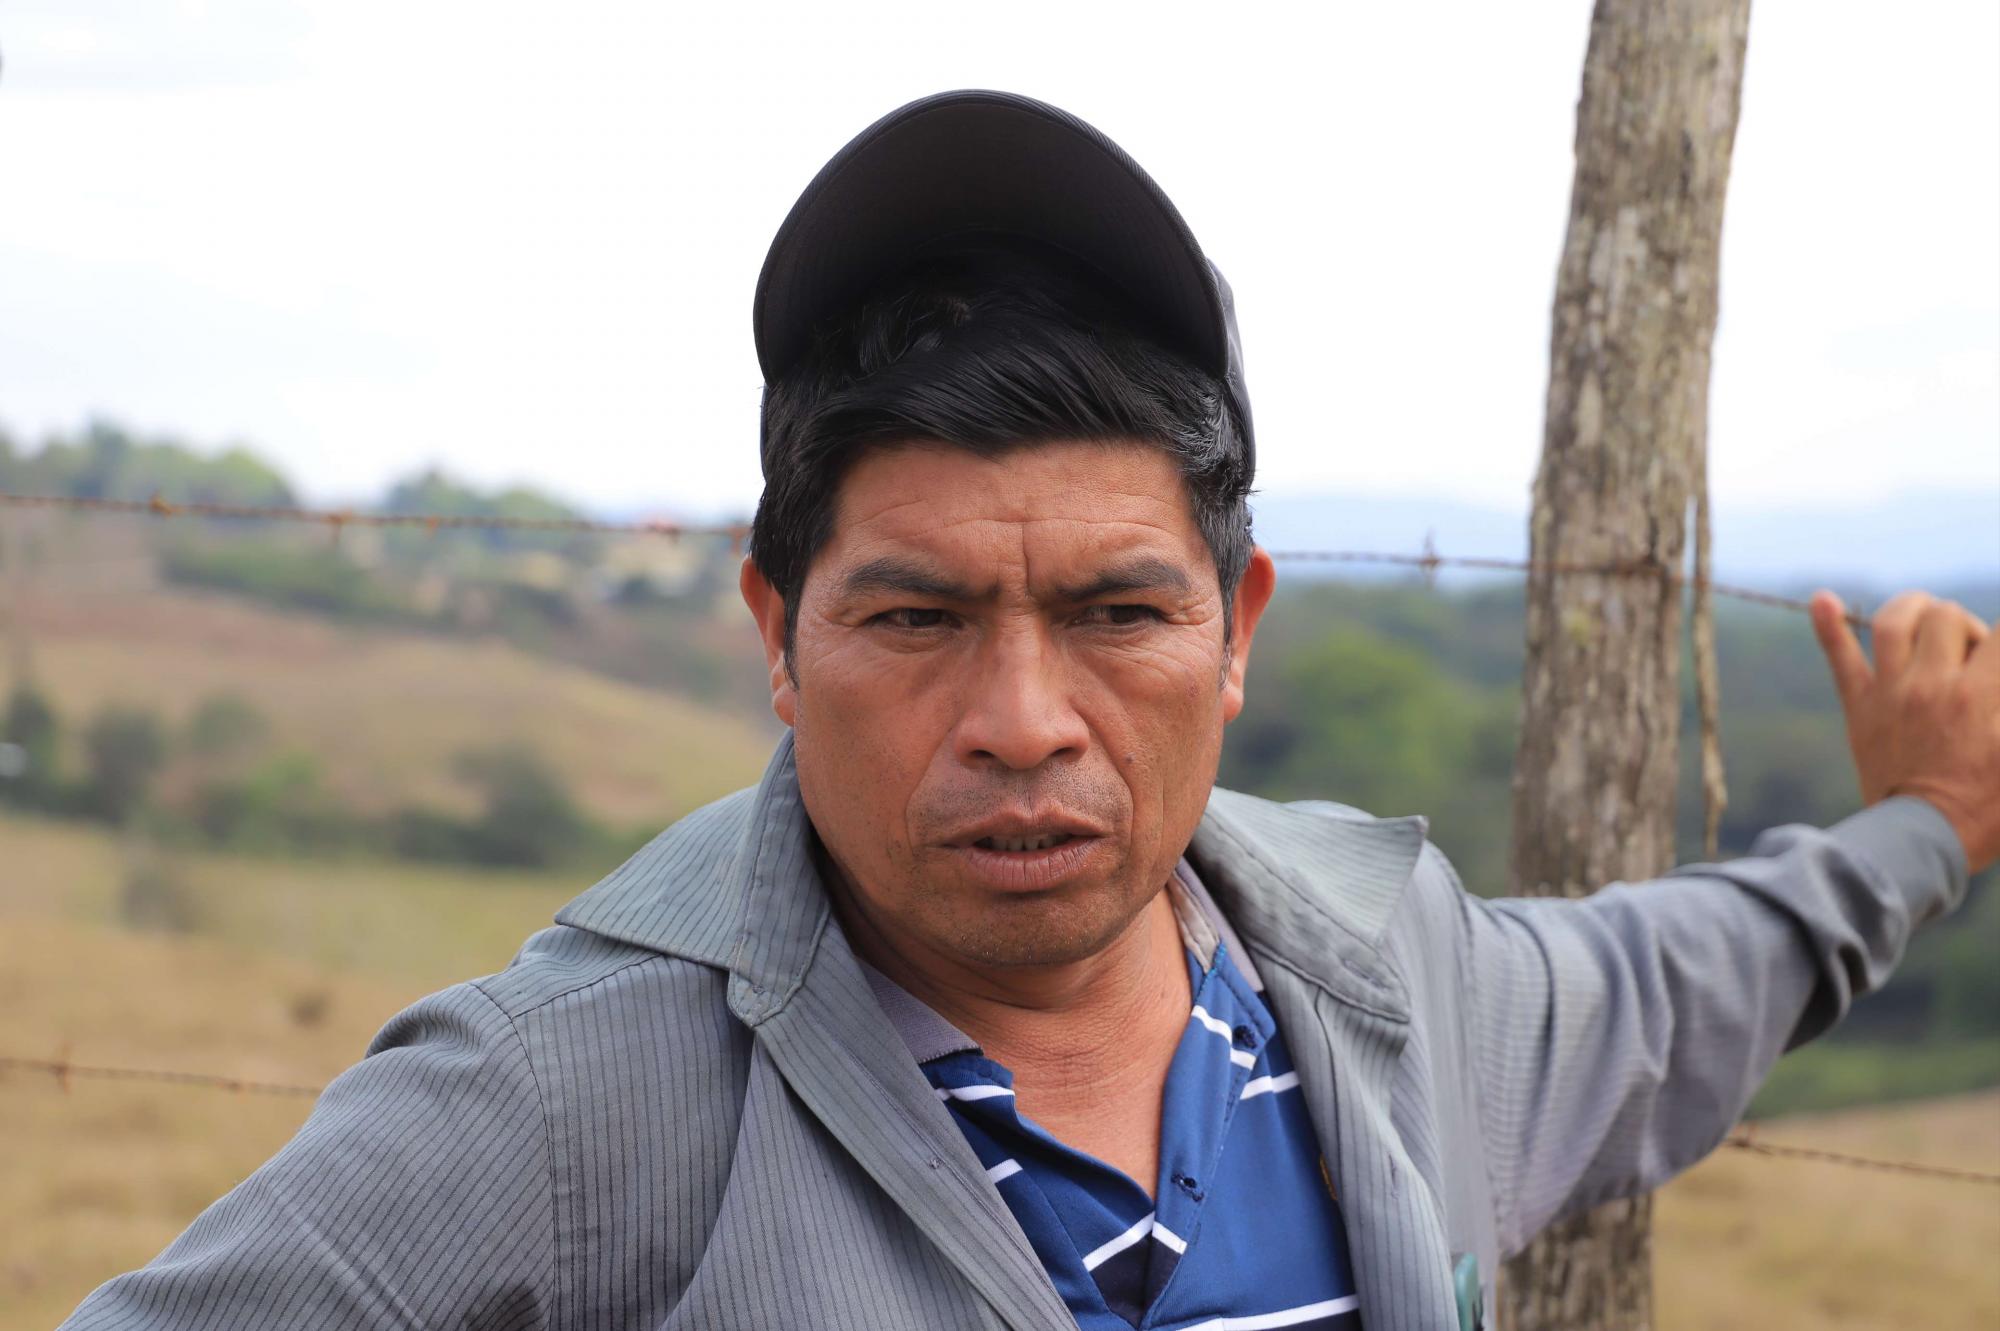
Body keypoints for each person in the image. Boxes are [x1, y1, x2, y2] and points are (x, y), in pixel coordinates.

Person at [61, 90, 1996, 1331]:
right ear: (777, 630)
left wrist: (1927, 826)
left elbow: (1673, 983)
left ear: (1236, 629)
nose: (1022, 719)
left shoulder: (1382, 970)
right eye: (915, 617)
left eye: (1115, 613)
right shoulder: (571, 1098)